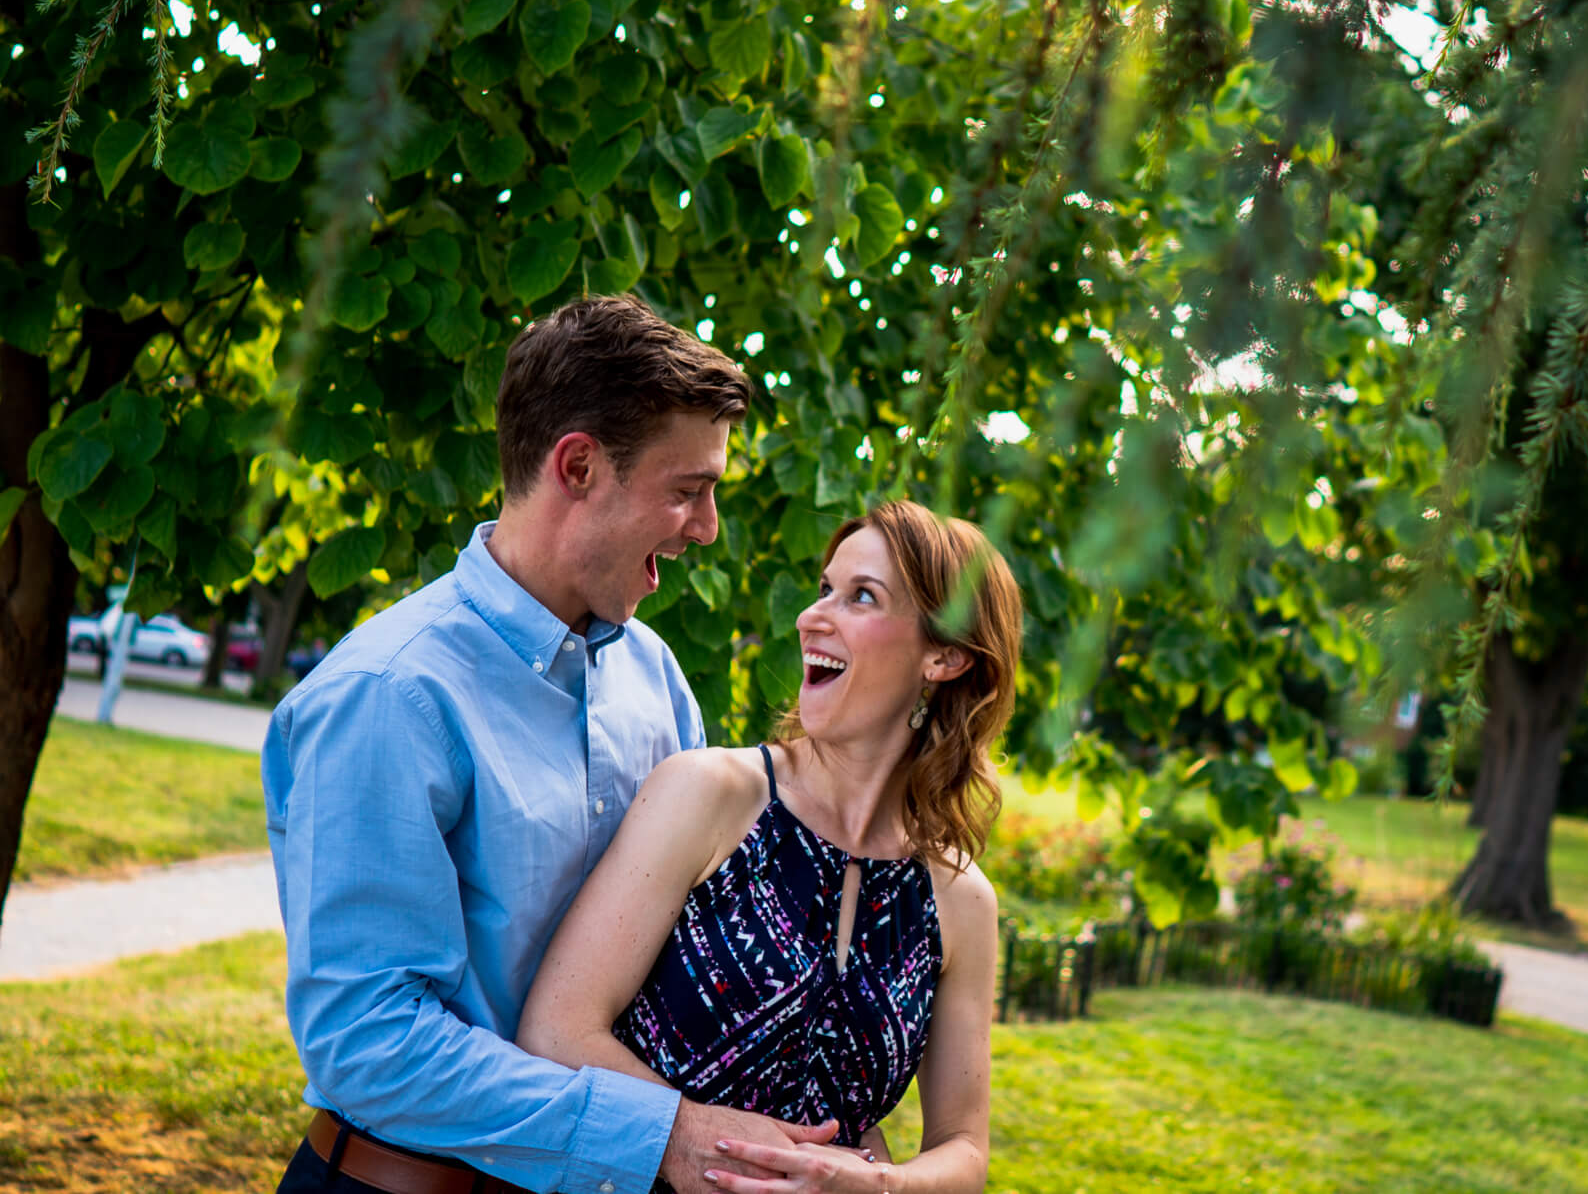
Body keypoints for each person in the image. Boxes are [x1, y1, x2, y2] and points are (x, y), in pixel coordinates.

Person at [263, 295, 824, 1194]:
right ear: (578, 466)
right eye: (688, 491)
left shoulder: (656, 677)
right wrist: (658, 1133)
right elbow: (368, 1042)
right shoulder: (389, 694)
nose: (707, 528)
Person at [517, 500, 1021, 1194]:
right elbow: (554, 1028)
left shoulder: (960, 900)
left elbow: (965, 1146)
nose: (813, 616)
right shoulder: (708, 794)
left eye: (862, 596)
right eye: (824, 590)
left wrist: (878, 1184)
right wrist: (686, 1131)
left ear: (944, 655)